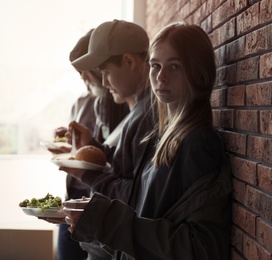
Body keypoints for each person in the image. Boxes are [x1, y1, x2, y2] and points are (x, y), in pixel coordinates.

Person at [62, 22, 232, 260]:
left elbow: (200, 249)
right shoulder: (165, 136)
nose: (161, 77)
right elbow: (147, 214)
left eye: (174, 67)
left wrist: (106, 220)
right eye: (155, 66)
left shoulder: (198, 145)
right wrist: (95, 221)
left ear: (200, 74)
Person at [59, 19, 154, 259]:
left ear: (130, 61)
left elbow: (136, 194)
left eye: (106, 73)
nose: (103, 83)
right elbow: (127, 168)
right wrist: (93, 146)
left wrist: (86, 174)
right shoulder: (139, 112)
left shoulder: (145, 117)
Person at [53, 29, 130, 260]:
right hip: (77, 196)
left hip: (100, 203)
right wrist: (70, 144)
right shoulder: (85, 102)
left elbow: (114, 161)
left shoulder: (121, 103)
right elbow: (91, 152)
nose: (82, 78)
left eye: (84, 71)